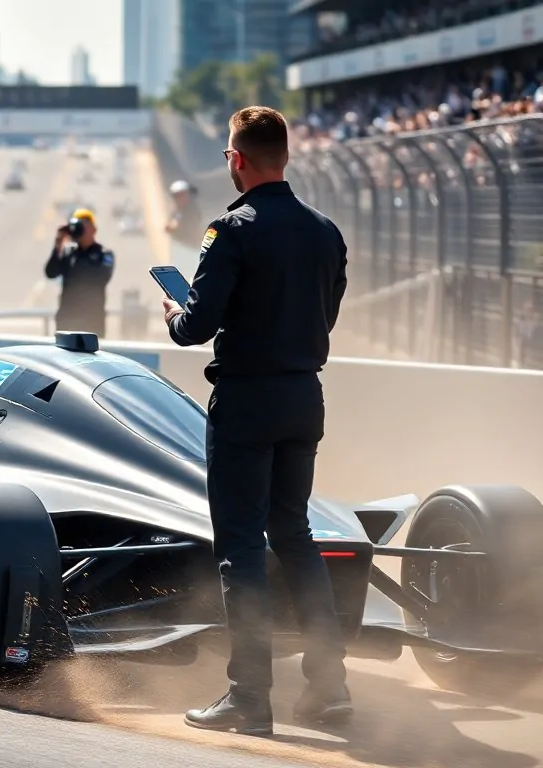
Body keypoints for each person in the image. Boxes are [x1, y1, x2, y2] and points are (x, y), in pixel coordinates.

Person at [161, 106, 351, 736]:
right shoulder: (325, 231)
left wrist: (175, 311)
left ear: (236, 159)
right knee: (295, 535)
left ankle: (248, 696)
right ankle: (329, 687)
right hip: (303, 396)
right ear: (285, 157)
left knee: (241, 548)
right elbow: (325, 317)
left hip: (246, 401)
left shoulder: (229, 230)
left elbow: (196, 327)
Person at [44, 208, 115, 336]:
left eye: (82, 226)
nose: (78, 230)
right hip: (67, 322)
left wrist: (83, 251)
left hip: (92, 323)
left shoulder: (104, 254)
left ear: (93, 229)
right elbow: (50, 272)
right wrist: (58, 245)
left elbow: (101, 277)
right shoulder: (68, 253)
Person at [164, 179, 204, 275]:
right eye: (176, 196)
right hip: (181, 248)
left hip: (190, 248)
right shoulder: (178, 211)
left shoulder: (189, 210)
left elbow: (175, 226)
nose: (179, 199)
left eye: (182, 195)